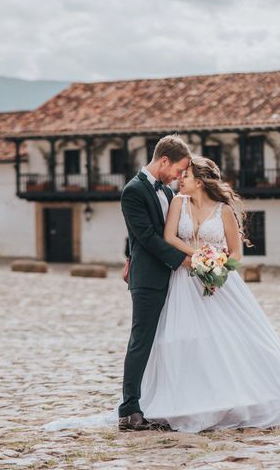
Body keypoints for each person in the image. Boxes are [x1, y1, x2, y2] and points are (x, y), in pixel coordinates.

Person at [128, 155, 280, 432]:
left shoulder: (223, 210)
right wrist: (200, 256)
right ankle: (186, 399)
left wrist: (217, 263)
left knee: (233, 338)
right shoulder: (177, 201)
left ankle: (235, 396)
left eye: (185, 175)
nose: (179, 179)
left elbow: (237, 253)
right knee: (182, 338)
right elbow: (170, 238)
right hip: (184, 280)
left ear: (199, 182)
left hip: (220, 280)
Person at [117, 135, 192, 431]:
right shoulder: (133, 191)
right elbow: (145, 237)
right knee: (142, 341)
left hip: (172, 277)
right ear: (164, 161)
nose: (179, 176)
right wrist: (182, 260)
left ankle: (164, 400)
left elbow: (167, 233)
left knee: (169, 340)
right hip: (148, 279)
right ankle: (130, 409)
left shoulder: (169, 193)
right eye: (178, 170)